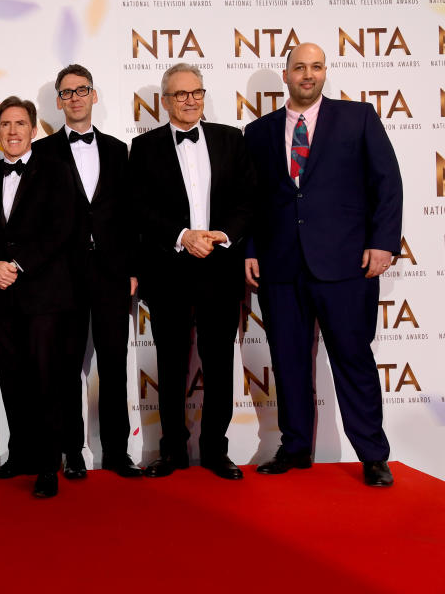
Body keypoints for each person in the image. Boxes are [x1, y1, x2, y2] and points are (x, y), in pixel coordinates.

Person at [244, 42, 403, 487]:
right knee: (290, 362)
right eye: (299, 67)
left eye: (316, 67)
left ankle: (373, 454)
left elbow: (387, 183)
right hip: (280, 268)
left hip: (346, 265)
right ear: (286, 74)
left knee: (353, 359)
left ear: (325, 72)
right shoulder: (258, 132)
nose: (308, 74)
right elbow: (250, 202)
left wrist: (383, 243)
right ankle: (295, 448)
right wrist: (251, 248)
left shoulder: (359, 119)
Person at [131, 63, 255, 480]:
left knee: (220, 363)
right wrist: (182, 235)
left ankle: (216, 452)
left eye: (196, 92)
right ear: (165, 101)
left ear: (204, 95)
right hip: (169, 270)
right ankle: (172, 452)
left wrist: (221, 234)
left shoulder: (230, 139)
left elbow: (245, 200)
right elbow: (140, 209)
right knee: (170, 365)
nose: (189, 100)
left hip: (220, 268)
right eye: (180, 94)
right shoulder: (143, 147)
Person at [32, 64, 141, 480]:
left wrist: (133, 268)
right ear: (58, 102)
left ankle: (117, 452)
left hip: (113, 275)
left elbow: (130, 216)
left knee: (114, 365)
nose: (75, 98)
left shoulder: (118, 150)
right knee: (65, 368)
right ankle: (72, 453)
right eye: (66, 92)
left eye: (82, 90)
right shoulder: (41, 153)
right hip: (63, 276)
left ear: (94, 95)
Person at [0, 96, 77, 498]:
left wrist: (16, 264)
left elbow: (62, 228)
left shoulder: (56, 170)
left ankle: (48, 464)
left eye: (21, 123)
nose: (13, 131)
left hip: (43, 294)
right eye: (6, 124)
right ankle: (20, 454)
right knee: (13, 378)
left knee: (45, 381)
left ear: (34, 129)